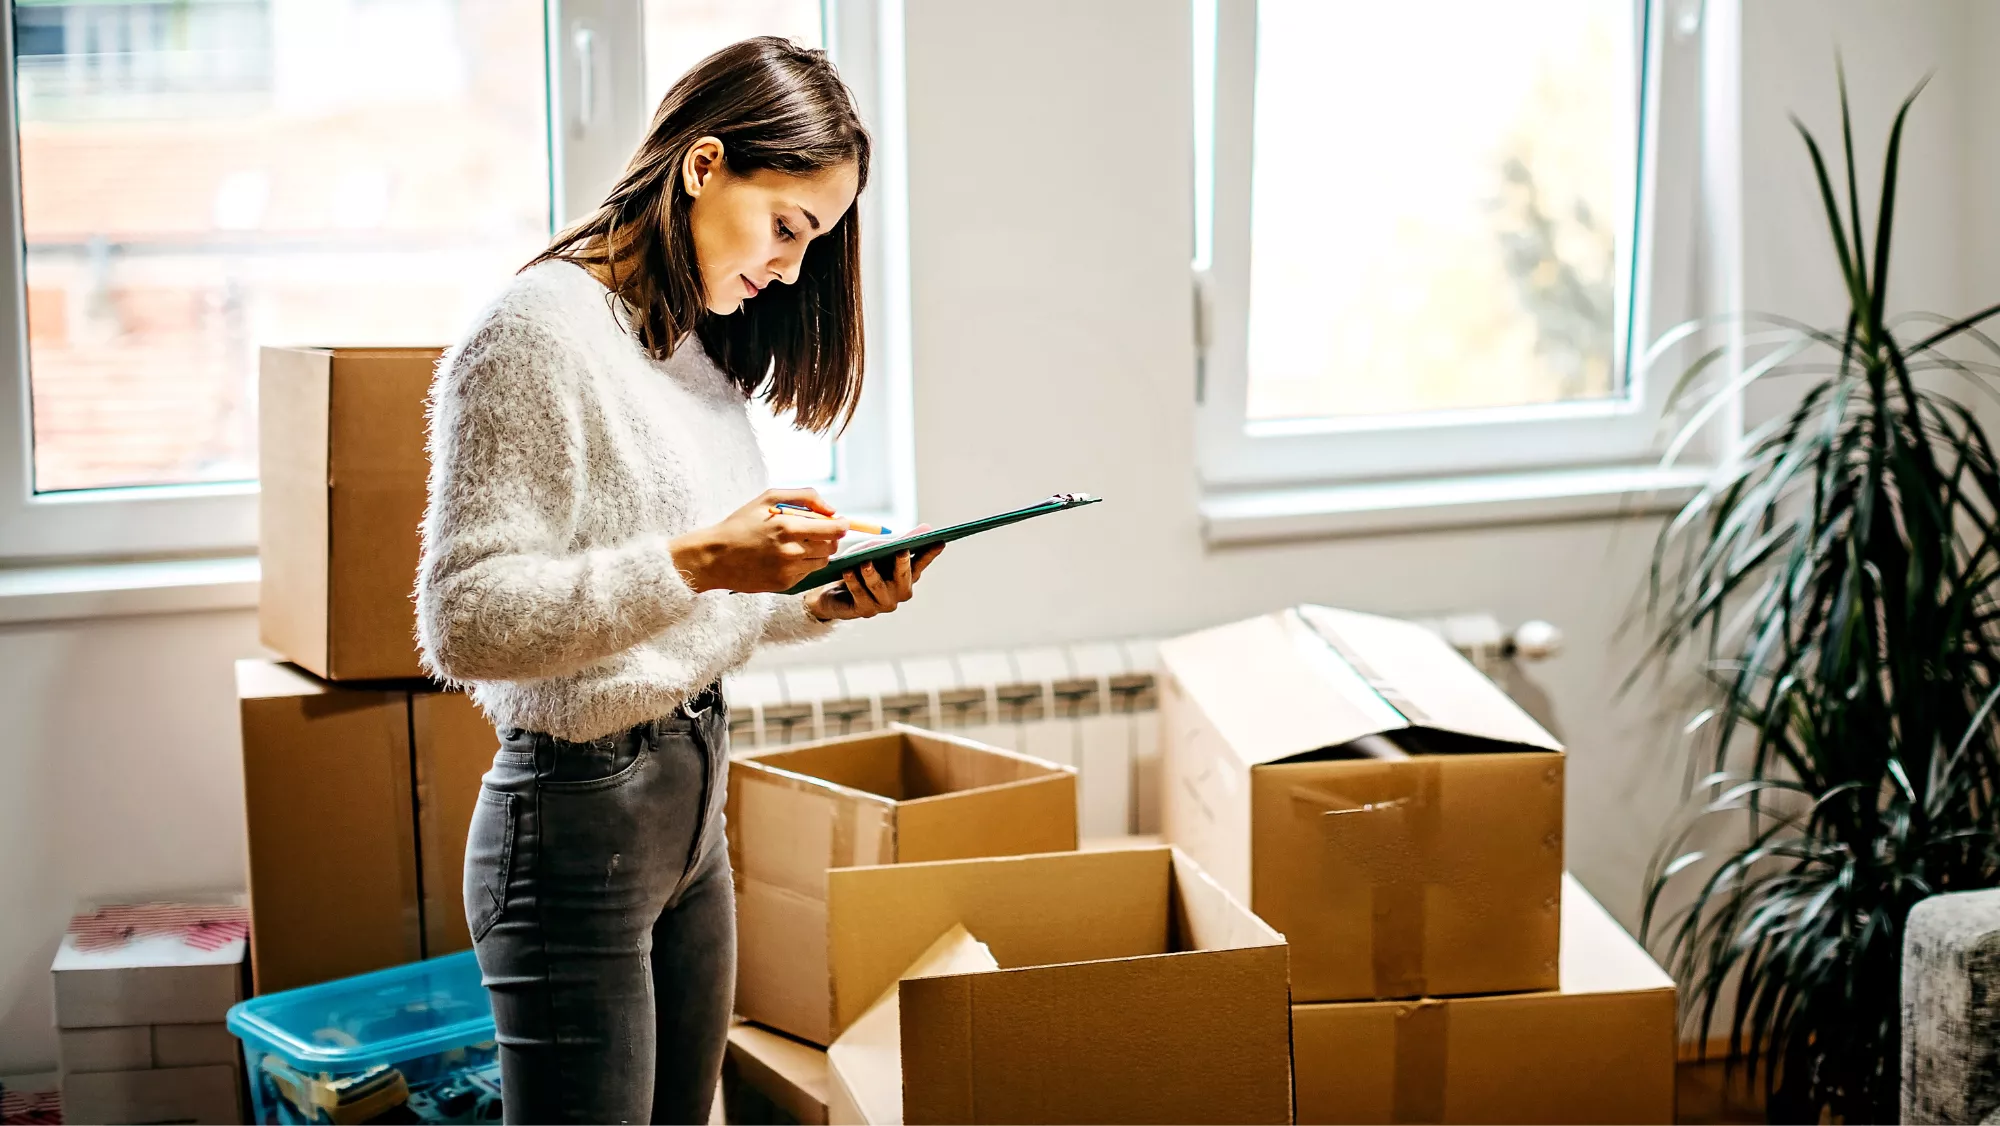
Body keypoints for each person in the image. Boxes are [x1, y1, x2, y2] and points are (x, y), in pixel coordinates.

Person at [413, 36, 939, 1125]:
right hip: (574, 824)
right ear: (703, 166)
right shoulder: (532, 334)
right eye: (787, 227)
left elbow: (683, 607)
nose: (792, 269)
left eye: (816, 240)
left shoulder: (684, 344)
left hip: (691, 803)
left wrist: (815, 593)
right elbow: (462, 620)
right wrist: (701, 557)